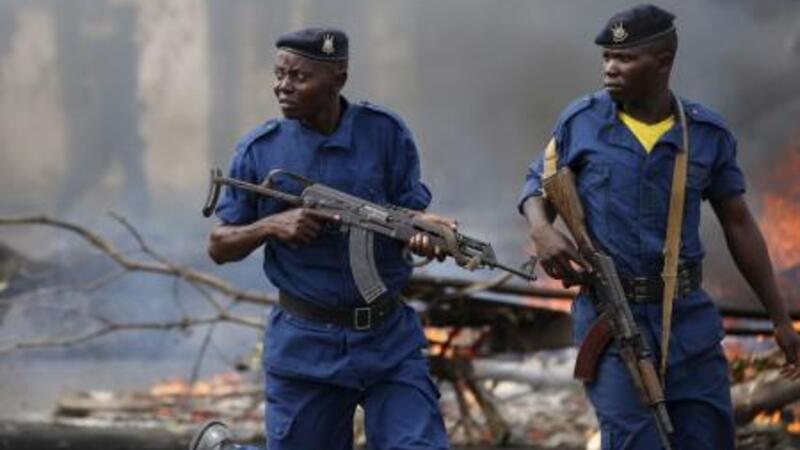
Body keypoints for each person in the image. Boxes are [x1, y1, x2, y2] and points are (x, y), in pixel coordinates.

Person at [518, 4, 800, 449]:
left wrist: (780, 320)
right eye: (607, 57)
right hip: (611, 322)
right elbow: (539, 184)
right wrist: (541, 229)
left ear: (663, 62)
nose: (610, 68)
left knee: (707, 438)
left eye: (625, 58)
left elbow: (739, 223)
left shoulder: (704, 133)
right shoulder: (581, 122)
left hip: (688, 321)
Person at [191, 27, 450, 450]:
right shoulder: (260, 150)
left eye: (299, 77)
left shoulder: (384, 133)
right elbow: (219, 246)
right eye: (279, 75)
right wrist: (270, 226)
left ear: (338, 79)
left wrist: (429, 233)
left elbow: (410, 213)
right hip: (306, 346)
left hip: (387, 341)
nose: (283, 86)